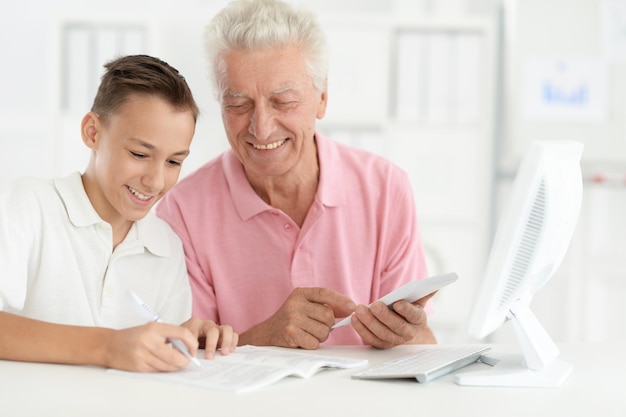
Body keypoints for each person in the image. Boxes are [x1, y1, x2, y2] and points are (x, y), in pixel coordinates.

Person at [157, 0, 436, 350]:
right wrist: (265, 337)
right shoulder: (182, 212)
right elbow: (185, 360)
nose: (261, 128)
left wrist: (406, 336)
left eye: (283, 101)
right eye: (239, 104)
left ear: (322, 98)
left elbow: (421, 345)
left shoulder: (385, 189)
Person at [0, 54, 238, 372]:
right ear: (92, 132)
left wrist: (186, 340)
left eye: (174, 162)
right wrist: (109, 346)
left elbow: (157, 360)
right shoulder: (29, 205)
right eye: (139, 154)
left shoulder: (165, 246)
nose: (155, 180)